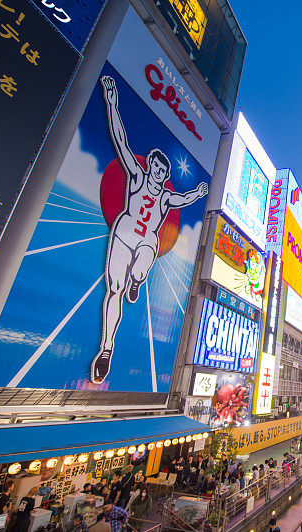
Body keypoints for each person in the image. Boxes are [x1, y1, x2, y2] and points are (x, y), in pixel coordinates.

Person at [90, 76, 209, 383]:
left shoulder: (166, 195)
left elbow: (182, 198)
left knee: (149, 249)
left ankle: (138, 279)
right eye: (155, 167)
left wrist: (196, 194)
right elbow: (120, 141)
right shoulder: (137, 177)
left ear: (166, 174)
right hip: (123, 234)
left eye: (162, 170)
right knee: (113, 290)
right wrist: (112, 102)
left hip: (144, 240)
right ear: (150, 167)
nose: (157, 172)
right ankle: (106, 349)